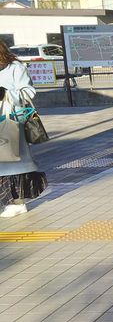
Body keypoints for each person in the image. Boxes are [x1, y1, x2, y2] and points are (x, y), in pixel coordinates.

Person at [0, 40, 47, 218]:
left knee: (13, 163)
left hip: (10, 121)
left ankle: (18, 202)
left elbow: (29, 92)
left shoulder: (15, 67)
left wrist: (5, 93)